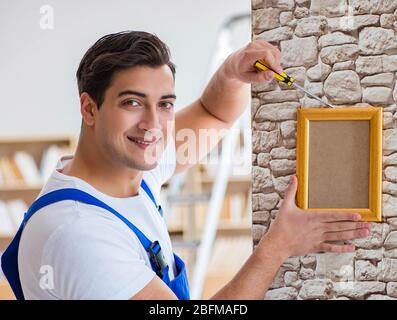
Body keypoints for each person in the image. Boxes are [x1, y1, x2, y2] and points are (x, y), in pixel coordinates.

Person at [4, 31, 370, 300]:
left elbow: (214, 113)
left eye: (164, 104)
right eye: (132, 103)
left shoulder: (133, 170)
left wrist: (232, 72)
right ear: (89, 108)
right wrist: (277, 247)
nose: (153, 125)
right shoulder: (78, 233)